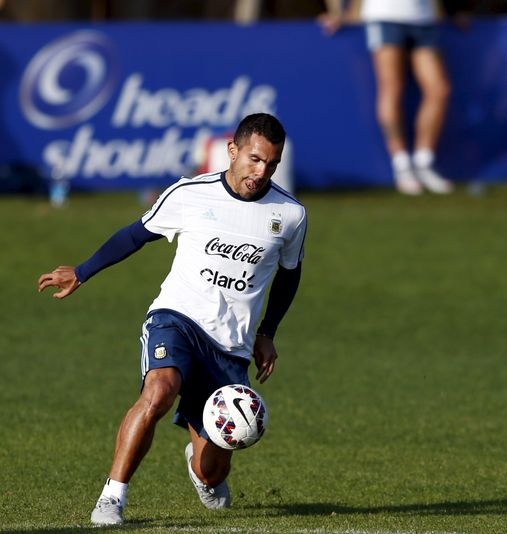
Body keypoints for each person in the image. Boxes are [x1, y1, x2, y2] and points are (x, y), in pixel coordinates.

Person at [37, 113, 306, 526]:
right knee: (159, 391)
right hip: (176, 318)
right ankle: (112, 496)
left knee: (213, 469)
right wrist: (82, 271)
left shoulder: (289, 214)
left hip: (230, 346)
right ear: (232, 151)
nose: (261, 172)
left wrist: (267, 333)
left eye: (271, 163)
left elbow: (289, 274)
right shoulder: (189, 193)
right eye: (254, 159)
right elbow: (135, 234)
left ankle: (201, 467)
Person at [320, 0, 454, 195]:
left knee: (439, 90)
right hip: (385, 15)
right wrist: (342, 13)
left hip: (423, 18)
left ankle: (423, 161)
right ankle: (401, 165)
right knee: (392, 88)